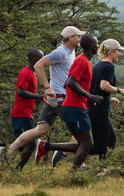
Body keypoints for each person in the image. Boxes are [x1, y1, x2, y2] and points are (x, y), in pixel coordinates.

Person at [5, 26, 85, 170]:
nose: (80, 39)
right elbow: (38, 65)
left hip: (54, 98)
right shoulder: (61, 52)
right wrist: (47, 87)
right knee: (79, 130)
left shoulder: (70, 53)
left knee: (40, 130)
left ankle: (8, 151)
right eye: (78, 36)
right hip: (60, 98)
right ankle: (77, 163)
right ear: (71, 37)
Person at [35, 34, 102, 170]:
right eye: (96, 43)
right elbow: (71, 83)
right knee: (87, 144)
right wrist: (89, 95)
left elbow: (66, 83)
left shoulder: (83, 61)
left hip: (74, 106)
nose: (98, 45)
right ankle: (73, 174)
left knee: (81, 143)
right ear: (91, 46)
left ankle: (46, 146)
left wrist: (88, 98)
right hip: (75, 107)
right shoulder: (82, 61)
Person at [0, 49, 44, 158]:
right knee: (29, 144)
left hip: (25, 113)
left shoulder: (33, 74)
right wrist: (37, 96)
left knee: (25, 144)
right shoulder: (26, 73)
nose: (43, 61)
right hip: (21, 114)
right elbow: (20, 91)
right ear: (34, 59)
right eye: (41, 58)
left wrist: (37, 96)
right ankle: (2, 150)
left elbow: (27, 91)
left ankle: (0, 148)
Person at [88, 39, 124, 167]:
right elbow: (104, 86)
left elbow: (95, 90)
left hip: (95, 109)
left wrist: (109, 99)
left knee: (111, 140)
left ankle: (102, 168)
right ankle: (66, 152)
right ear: (110, 51)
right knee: (101, 144)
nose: (119, 54)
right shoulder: (108, 66)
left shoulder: (97, 66)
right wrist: (119, 90)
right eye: (118, 51)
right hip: (100, 111)